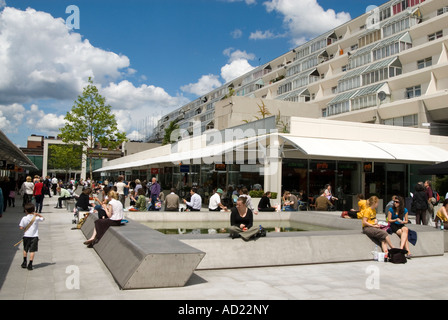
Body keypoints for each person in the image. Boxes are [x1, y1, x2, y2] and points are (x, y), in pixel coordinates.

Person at [19, 203, 45, 270]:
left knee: (25, 249)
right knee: (32, 250)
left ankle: (24, 262)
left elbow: (21, 227)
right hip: (34, 236)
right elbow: (43, 218)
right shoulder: (36, 218)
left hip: (26, 236)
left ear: (26, 211)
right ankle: (30, 264)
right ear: (33, 210)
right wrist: (37, 214)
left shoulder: (24, 218)